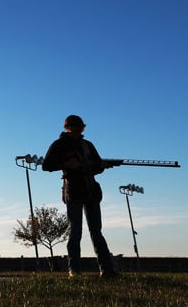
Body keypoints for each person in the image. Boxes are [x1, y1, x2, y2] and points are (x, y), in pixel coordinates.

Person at [42, 115, 118, 278]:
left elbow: (96, 167)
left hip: (90, 190)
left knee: (96, 231)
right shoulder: (59, 145)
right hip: (73, 190)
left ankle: (106, 270)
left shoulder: (87, 145)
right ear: (67, 128)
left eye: (80, 128)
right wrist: (66, 165)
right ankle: (74, 271)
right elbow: (46, 165)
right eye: (75, 128)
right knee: (75, 231)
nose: (78, 131)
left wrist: (102, 166)